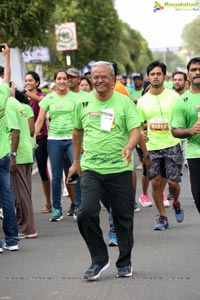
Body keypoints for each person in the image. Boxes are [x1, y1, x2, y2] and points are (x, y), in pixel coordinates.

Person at [67, 61, 141, 280]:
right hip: (92, 168)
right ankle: (99, 259)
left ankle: (124, 262)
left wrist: (129, 146)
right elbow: (77, 133)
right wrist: (76, 162)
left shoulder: (125, 102)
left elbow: (136, 130)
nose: (99, 80)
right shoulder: (82, 102)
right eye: (95, 76)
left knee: (123, 217)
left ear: (114, 79)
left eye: (104, 76)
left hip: (119, 169)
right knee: (85, 213)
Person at [137, 60, 184, 230]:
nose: (155, 77)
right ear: (148, 77)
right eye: (152, 74)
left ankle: (176, 201)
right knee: (156, 182)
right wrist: (142, 132)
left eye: (158, 74)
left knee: (172, 183)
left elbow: (182, 117)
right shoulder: (142, 101)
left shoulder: (174, 97)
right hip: (153, 146)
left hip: (172, 143)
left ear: (164, 76)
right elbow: (139, 124)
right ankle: (162, 217)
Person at [35, 69, 80, 222]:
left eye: (64, 78)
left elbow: (82, 120)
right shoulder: (49, 98)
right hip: (54, 140)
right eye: (59, 78)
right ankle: (56, 209)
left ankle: (78, 206)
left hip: (72, 139)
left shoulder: (76, 98)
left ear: (68, 81)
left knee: (76, 173)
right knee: (56, 176)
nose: (61, 81)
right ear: (55, 81)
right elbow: (40, 121)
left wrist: (84, 141)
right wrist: (33, 139)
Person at [6, 91, 37, 239]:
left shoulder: (9, 104)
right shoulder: (18, 104)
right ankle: (26, 226)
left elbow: (15, 132)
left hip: (18, 154)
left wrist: (12, 156)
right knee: (23, 192)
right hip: (25, 152)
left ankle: (26, 228)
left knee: (20, 194)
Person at [171, 57, 200, 214]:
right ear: (188, 74)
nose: (197, 72)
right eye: (194, 70)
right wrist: (190, 130)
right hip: (196, 153)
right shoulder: (182, 101)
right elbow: (175, 130)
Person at [24, 71, 51, 213]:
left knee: (42, 170)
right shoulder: (22, 98)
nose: (28, 83)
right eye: (26, 80)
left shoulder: (42, 96)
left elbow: (43, 102)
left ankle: (48, 203)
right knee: (24, 171)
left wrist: (25, 93)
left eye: (30, 80)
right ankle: (25, 203)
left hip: (41, 138)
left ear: (37, 83)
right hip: (25, 139)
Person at [0, 43, 19, 252]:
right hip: (3, 153)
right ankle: (12, 240)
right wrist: (6, 57)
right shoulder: (2, 95)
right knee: (6, 196)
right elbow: (7, 79)